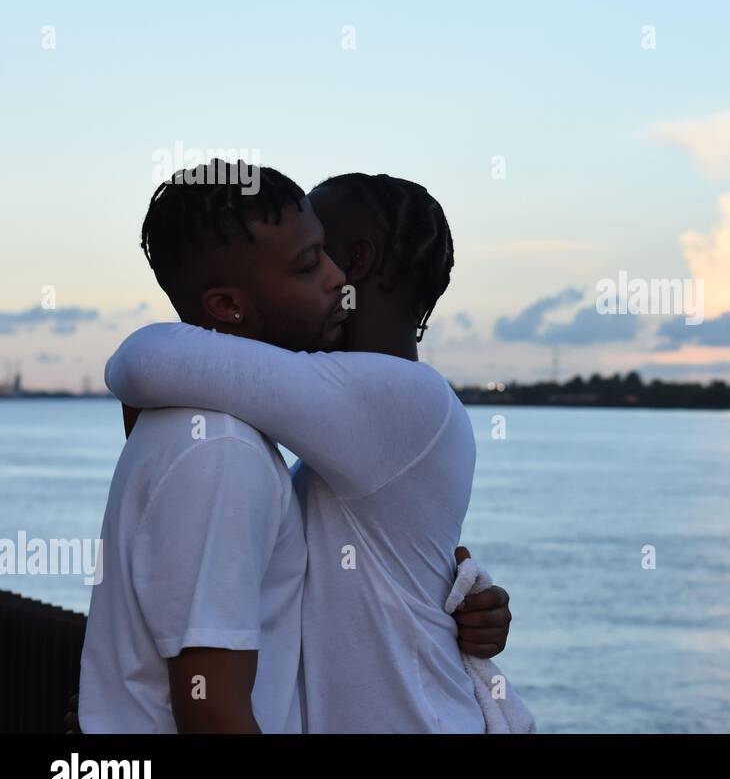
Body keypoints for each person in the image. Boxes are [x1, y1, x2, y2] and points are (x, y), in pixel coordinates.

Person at [82, 161, 511, 732]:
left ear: (354, 263)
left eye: (318, 249)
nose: (325, 271)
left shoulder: (399, 397)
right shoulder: (288, 431)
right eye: (307, 260)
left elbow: (142, 360)